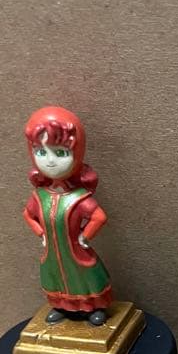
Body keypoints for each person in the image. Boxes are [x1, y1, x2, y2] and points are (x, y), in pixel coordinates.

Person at [22, 106, 112, 325]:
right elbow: (28, 215)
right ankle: (63, 306)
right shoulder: (40, 196)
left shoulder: (79, 198)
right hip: (53, 252)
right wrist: (41, 233)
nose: (50, 161)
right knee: (55, 278)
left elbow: (99, 217)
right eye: (41, 152)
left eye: (60, 153)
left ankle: (92, 307)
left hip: (75, 250)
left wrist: (84, 237)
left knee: (83, 277)